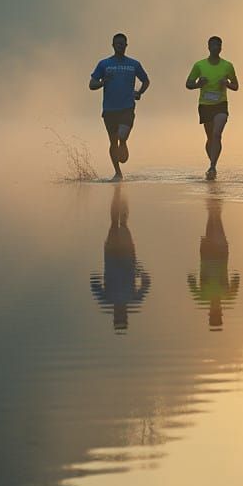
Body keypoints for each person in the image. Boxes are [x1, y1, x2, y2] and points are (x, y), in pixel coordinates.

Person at [89, 33, 150, 181]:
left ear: (126, 45)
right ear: (113, 45)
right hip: (109, 109)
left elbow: (146, 80)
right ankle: (118, 172)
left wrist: (139, 92)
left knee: (122, 135)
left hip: (127, 107)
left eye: (122, 43)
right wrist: (103, 82)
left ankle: (123, 142)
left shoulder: (134, 64)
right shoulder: (104, 64)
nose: (120, 46)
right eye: (117, 43)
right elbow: (92, 84)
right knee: (112, 141)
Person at [90, 186, 151, 331]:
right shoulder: (108, 300)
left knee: (119, 224)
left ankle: (119, 195)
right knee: (116, 224)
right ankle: (120, 195)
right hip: (115, 255)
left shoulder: (130, 300)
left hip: (124, 255)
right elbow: (93, 282)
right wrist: (138, 271)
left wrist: (138, 270)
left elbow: (146, 282)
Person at [186, 36, 239, 180]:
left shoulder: (227, 65)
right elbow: (188, 84)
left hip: (221, 104)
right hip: (205, 105)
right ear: (209, 47)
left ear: (221, 48)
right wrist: (198, 84)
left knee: (217, 134)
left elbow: (236, 86)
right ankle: (212, 162)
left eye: (218, 45)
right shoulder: (199, 65)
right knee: (210, 137)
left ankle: (213, 166)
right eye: (213, 45)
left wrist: (226, 83)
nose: (216, 48)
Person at [187, 198, 240, 330]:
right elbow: (190, 280)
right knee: (213, 218)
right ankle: (213, 199)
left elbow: (236, 279)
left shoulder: (225, 297)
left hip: (217, 253)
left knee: (215, 218)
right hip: (210, 254)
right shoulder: (204, 297)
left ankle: (214, 198)